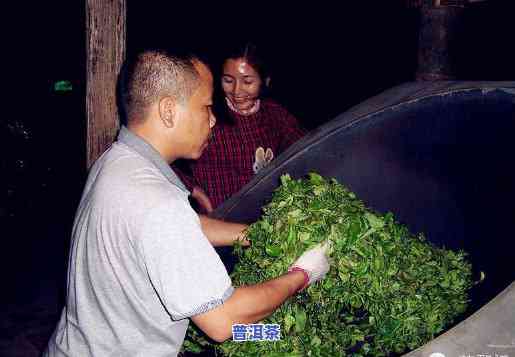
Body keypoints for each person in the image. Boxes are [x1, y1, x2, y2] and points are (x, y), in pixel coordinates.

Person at [43, 51, 330, 357]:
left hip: (77, 346)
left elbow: (186, 226)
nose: (213, 118)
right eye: (206, 106)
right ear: (168, 111)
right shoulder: (158, 203)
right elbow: (223, 322)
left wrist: (254, 234)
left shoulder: (119, 161)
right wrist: (302, 274)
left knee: (275, 333)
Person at [176, 43, 305, 212]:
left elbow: (307, 149)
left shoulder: (275, 115)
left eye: (247, 81)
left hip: (262, 220)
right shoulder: (208, 115)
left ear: (264, 81)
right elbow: (163, 155)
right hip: (218, 221)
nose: (237, 90)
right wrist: (194, 190)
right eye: (228, 80)